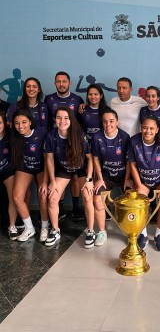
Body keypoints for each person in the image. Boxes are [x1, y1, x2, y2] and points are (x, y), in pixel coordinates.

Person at [44, 107, 94, 247]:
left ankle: (90, 230)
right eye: (59, 118)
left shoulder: (80, 135)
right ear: (55, 120)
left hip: (82, 169)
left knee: (88, 196)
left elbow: (90, 159)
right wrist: (52, 181)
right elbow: (49, 159)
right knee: (53, 197)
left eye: (66, 118)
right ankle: (55, 230)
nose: (62, 121)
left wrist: (89, 180)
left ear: (71, 120)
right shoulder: (51, 136)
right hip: (64, 169)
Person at [128, 116, 160, 251]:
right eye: (145, 128)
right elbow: (132, 164)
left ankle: (159, 235)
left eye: (151, 128)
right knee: (139, 203)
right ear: (141, 128)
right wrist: (138, 184)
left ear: (157, 130)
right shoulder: (134, 141)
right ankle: (143, 235)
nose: (148, 131)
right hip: (143, 181)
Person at [45, 71, 84, 221]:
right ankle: (60, 210)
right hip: (56, 144)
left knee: (75, 177)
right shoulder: (49, 99)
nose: (61, 84)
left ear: (69, 83)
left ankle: (75, 208)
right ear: (55, 83)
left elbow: (80, 121)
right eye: (58, 81)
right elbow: (48, 120)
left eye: (64, 81)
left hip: (73, 144)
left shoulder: (77, 99)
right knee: (57, 176)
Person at [91, 109, 131, 247]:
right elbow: (95, 159)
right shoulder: (97, 137)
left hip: (123, 176)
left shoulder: (125, 137)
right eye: (105, 121)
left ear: (117, 122)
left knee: (131, 200)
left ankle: (130, 231)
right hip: (106, 177)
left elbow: (129, 161)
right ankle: (102, 231)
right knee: (97, 199)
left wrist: (127, 179)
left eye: (111, 121)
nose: (108, 124)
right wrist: (99, 178)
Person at [10, 109, 48, 242]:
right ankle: (29, 228)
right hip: (25, 168)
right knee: (17, 196)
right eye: (17, 123)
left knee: (43, 195)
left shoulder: (42, 132)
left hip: (42, 168)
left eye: (24, 122)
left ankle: (45, 226)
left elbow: (48, 158)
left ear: (30, 122)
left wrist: (46, 180)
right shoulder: (14, 137)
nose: (20, 126)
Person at [0, 111, 17, 240]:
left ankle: (12, 226)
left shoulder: (10, 136)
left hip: (7, 170)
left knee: (13, 196)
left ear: (4, 124)